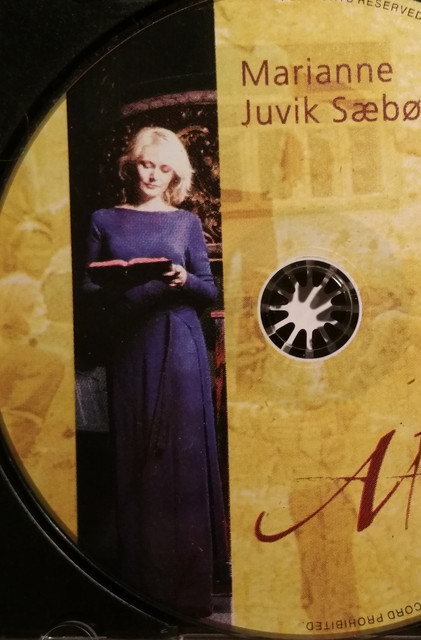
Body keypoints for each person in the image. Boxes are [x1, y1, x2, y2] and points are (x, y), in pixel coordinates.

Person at [81, 126, 229, 618]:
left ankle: (187, 592)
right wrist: (121, 282)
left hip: (180, 342)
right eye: (147, 164)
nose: (153, 175)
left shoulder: (186, 222)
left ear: (175, 176)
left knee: (179, 461)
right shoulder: (103, 219)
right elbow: (86, 291)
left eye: (165, 169)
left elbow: (209, 290)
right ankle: (140, 588)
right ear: (132, 165)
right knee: (136, 455)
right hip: (131, 343)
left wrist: (182, 277)